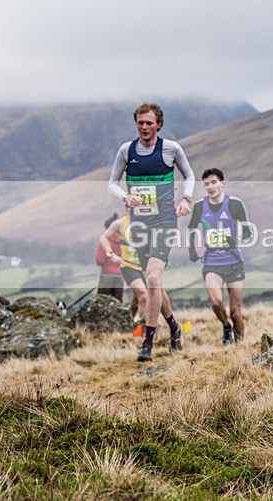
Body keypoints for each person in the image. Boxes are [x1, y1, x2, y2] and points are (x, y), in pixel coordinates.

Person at [108, 102, 195, 362]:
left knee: (153, 280)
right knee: (154, 283)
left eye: (149, 123)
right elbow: (111, 183)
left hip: (165, 222)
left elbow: (189, 175)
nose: (144, 127)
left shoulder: (171, 149)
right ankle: (174, 327)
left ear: (159, 124)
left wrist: (186, 199)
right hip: (140, 225)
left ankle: (147, 342)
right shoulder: (126, 151)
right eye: (140, 123)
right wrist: (125, 196)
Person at [187, 168, 253, 346]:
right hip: (212, 262)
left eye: (214, 182)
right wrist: (192, 250)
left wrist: (235, 239)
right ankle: (225, 326)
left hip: (233, 263)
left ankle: (240, 346)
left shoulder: (234, 204)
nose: (210, 187)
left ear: (222, 183)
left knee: (236, 313)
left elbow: (248, 232)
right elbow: (191, 228)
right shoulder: (200, 206)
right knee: (216, 302)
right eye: (207, 184)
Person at [95, 212, 124, 302]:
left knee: (101, 302)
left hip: (106, 275)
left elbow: (99, 260)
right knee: (117, 302)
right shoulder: (123, 241)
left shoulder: (104, 241)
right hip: (120, 275)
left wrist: (108, 256)